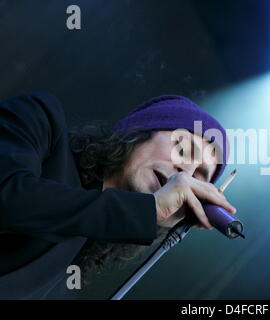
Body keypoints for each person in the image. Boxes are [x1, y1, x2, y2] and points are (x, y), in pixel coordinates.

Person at [0, 92, 235, 299]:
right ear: (138, 133)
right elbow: (9, 196)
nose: (186, 172)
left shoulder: (65, 283)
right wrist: (145, 210)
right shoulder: (41, 119)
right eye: (182, 149)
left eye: (198, 178)